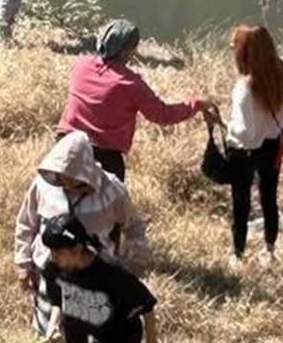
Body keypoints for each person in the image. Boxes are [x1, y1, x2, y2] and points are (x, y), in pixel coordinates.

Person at [14, 130, 150, 337]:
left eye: (70, 176)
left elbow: (134, 227)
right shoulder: (44, 186)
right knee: (48, 329)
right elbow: (26, 223)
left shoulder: (111, 190)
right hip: (50, 273)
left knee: (91, 330)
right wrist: (22, 263)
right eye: (60, 175)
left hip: (95, 280)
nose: (63, 180)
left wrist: (134, 266)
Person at [57, 19, 220, 181]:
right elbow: (163, 115)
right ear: (126, 52)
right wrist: (197, 104)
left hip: (64, 147)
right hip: (103, 157)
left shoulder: (80, 65)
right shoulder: (130, 83)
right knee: (112, 205)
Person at [225, 23, 283, 265]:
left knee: (241, 202)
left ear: (245, 52)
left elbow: (245, 133)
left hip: (244, 151)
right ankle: (270, 249)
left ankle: (238, 253)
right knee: (269, 197)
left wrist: (227, 128)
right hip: (274, 145)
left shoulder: (244, 87)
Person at [40, 213, 159, 343]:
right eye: (51, 251)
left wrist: (151, 340)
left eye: (58, 252)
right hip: (79, 332)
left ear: (77, 249)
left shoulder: (111, 273)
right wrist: (54, 325)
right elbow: (58, 300)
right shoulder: (55, 268)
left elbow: (147, 305)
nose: (52, 257)